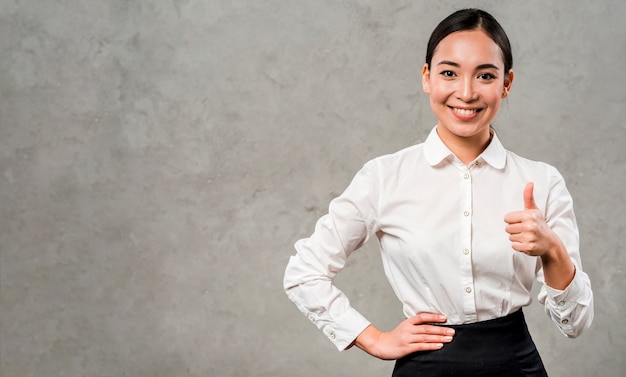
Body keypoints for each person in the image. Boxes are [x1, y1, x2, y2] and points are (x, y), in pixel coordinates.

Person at [283, 8, 593, 376]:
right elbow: (304, 273)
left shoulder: (542, 181)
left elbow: (575, 325)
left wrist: (553, 250)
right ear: (427, 77)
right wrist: (372, 338)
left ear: (506, 84)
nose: (466, 92)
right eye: (449, 73)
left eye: (485, 75)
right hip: (424, 368)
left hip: (516, 367)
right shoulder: (384, 177)